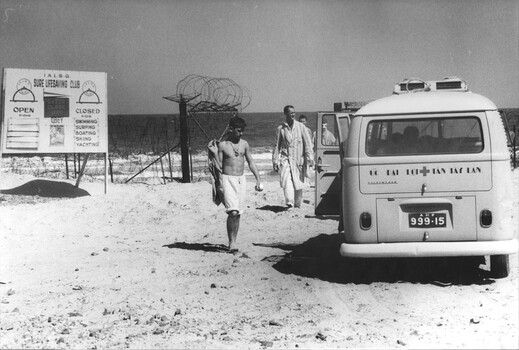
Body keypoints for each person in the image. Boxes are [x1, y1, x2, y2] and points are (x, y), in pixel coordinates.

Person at [208, 116, 262, 252]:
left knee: (237, 213)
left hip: (241, 180)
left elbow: (251, 162)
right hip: (227, 180)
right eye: (239, 130)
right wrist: (213, 154)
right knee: (232, 212)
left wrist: (258, 179)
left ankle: (234, 241)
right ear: (231, 129)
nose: (241, 133)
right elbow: (218, 166)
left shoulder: (244, 144)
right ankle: (231, 243)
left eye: (243, 130)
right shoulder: (223, 145)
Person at [272, 105, 314, 208]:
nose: (293, 114)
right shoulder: (281, 129)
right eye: (290, 113)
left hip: (298, 159)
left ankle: (297, 204)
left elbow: (308, 143)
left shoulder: (301, 127)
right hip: (285, 158)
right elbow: (276, 145)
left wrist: (310, 158)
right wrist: (275, 160)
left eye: (294, 112)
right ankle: (289, 203)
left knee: (298, 182)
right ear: (285, 114)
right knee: (286, 180)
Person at [298, 115, 313, 184]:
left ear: (306, 122)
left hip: (306, 152)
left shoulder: (308, 130)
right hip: (299, 153)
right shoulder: (297, 130)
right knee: (299, 168)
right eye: (301, 122)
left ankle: (307, 182)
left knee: (307, 168)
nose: (302, 123)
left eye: (303, 121)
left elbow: (310, 142)